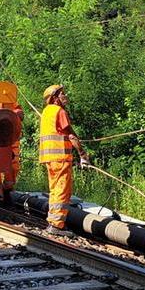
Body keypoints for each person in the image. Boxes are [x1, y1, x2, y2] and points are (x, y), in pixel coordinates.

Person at [38, 84, 89, 236]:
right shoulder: (59, 111)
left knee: (55, 190)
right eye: (62, 94)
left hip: (49, 158)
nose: (65, 96)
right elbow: (70, 135)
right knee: (62, 191)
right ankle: (56, 226)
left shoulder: (46, 112)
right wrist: (83, 155)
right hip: (60, 157)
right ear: (54, 98)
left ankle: (53, 221)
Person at [0, 104, 24, 207]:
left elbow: (20, 113)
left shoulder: (9, 96)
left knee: (13, 165)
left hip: (10, 135)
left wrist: (16, 114)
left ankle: (7, 190)